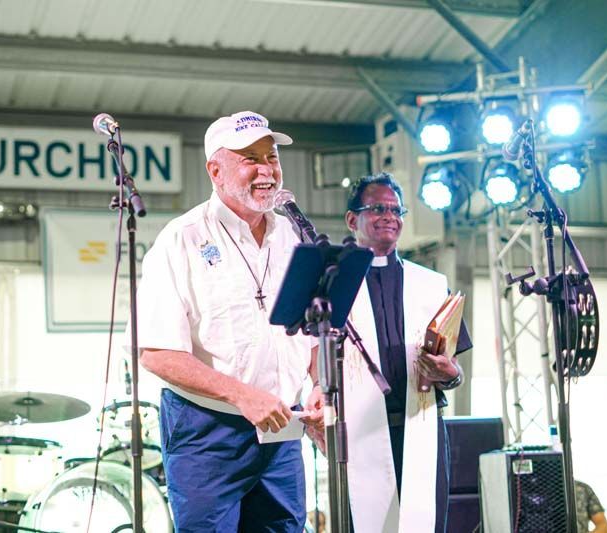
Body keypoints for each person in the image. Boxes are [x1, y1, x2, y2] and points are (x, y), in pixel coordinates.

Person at [135, 110, 323, 532]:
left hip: (281, 430)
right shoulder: (180, 239)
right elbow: (157, 353)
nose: (266, 170)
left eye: (271, 157)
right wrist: (242, 396)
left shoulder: (294, 236)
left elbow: (312, 332)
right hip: (207, 433)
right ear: (215, 170)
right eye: (250, 158)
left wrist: (320, 386)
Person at [339, 172, 472, 533]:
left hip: (422, 427)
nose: (390, 216)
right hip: (360, 432)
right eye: (378, 208)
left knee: (425, 523)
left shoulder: (430, 283)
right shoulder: (334, 281)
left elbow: (455, 368)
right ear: (353, 219)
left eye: (397, 210)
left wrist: (450, 373)